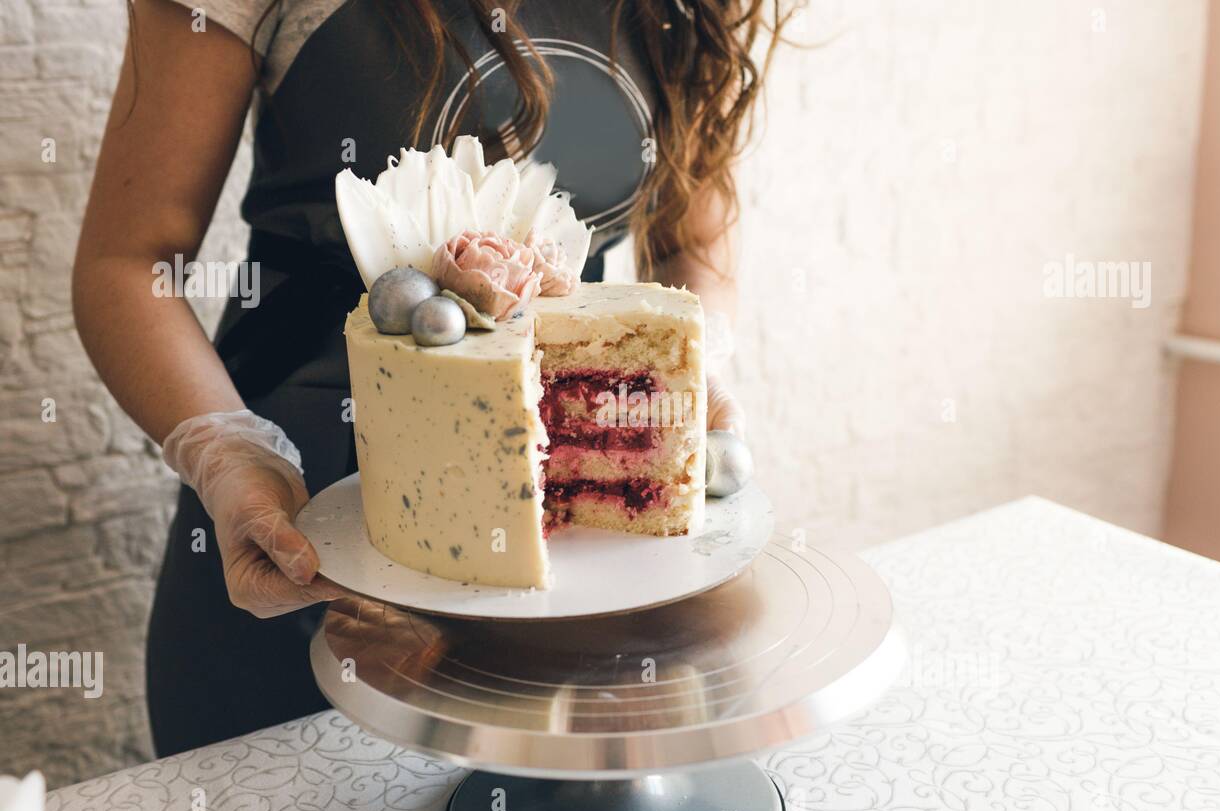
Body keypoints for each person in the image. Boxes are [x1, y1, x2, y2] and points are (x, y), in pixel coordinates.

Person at [72, 0, 790, 756]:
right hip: (297, 516)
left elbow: (695, 242)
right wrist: (228, 454)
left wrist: (687, 366)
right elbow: (128, 264)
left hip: (576, 548)